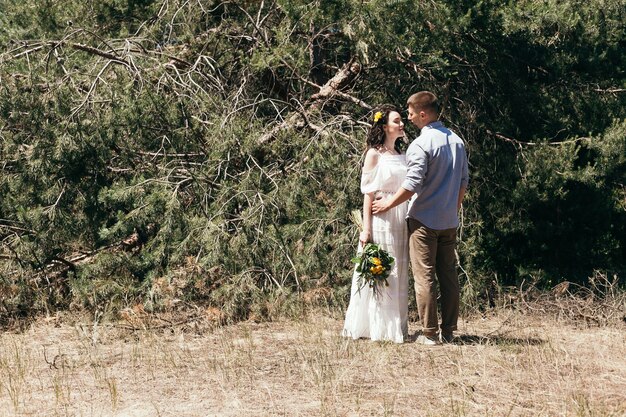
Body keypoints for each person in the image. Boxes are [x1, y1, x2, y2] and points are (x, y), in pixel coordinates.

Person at [372, 91, 468, 345]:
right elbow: (463, 183)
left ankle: (429, 334)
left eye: (412, 113)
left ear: (423, 114)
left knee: (424, 277)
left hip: (423, 221)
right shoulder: (457, 141)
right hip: (449, 221)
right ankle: (448, 331)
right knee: (448, 276)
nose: (410, 118)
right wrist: (452, 209)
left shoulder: (421, 145)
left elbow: (412, 184)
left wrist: (388, 204)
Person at [342, 104, 409, 343]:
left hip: (401, 219)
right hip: (381, 218)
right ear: (384, 126)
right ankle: (377, 327)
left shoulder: (403, 154)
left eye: (401, 121)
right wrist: (366, 229)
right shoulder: (374, 154)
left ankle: (397, 326)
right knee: (383, 270)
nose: (401, 125)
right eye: (397, 121)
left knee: (399, 270)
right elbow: (368, 194)